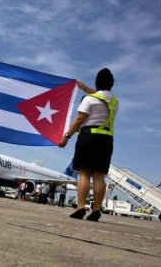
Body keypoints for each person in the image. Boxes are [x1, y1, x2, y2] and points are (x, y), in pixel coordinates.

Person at [58, 68, 118, 222]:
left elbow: (79, 119)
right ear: (111, 85)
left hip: (89, 137)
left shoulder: (89, 100)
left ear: (97, 83)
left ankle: (80, 208)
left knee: (84, 173)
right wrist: (84, 88)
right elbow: (100, 96)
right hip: (106, 140)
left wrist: (66, 136)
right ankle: (96, 210)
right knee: (99, 175)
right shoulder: (114, 102)